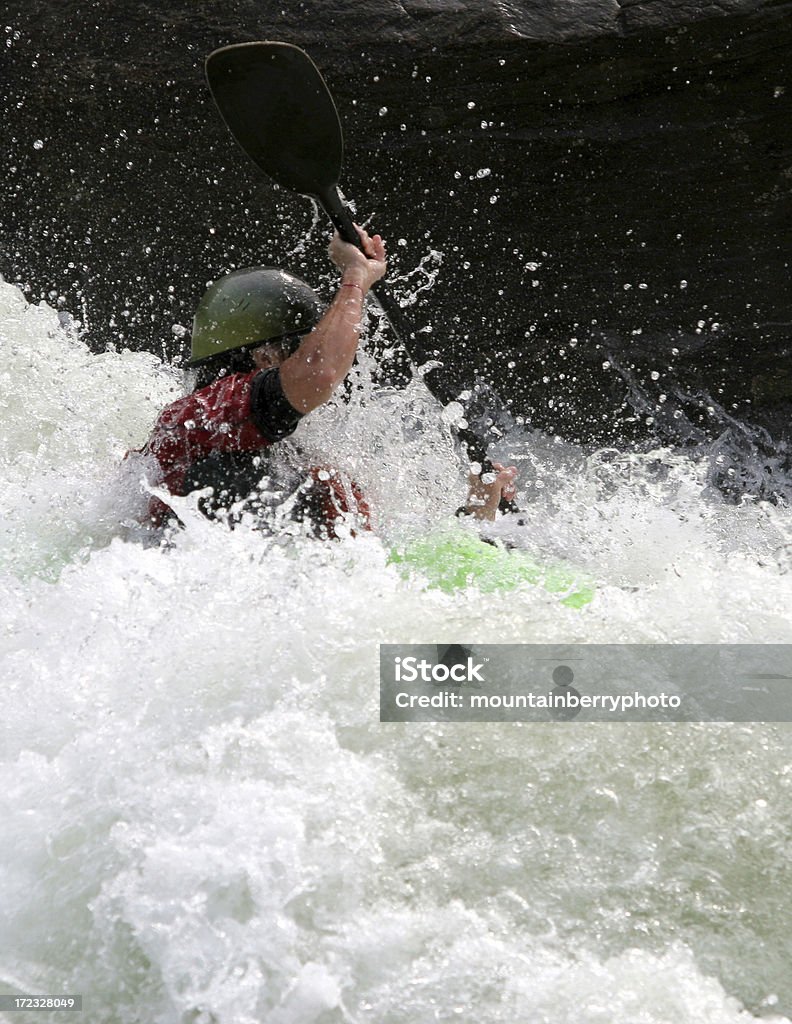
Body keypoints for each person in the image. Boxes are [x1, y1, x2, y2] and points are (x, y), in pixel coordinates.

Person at [135, 224, 516, 535]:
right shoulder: (204, 414)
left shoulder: (305, 461)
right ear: (265, 357)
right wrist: (355, 278)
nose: (335, 352)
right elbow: (319, 372)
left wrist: (479, 510)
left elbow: (388, 571)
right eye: (306, 343)